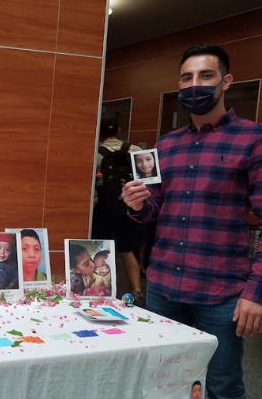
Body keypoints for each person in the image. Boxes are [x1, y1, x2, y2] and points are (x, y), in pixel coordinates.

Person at [122, 44, 262, 399]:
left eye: (205, 76)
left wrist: (256, 294)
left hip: (221, 293)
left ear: (226, 81)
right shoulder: (165, 146)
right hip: (164, 287)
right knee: (163, 381)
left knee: (221, 385)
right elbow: (154, 210)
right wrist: (138, 204)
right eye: (187, 78)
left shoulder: (253, 139)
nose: (194, 84)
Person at [92, 116, 146, 305]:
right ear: (119, 130)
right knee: (127, 250)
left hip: (103, 209)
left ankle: (101, 289)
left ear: (100, 133)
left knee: (101, 249)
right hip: (129, 207)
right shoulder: (136, 150)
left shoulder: (96, 153)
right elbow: (146, 177)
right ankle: (137, 289)